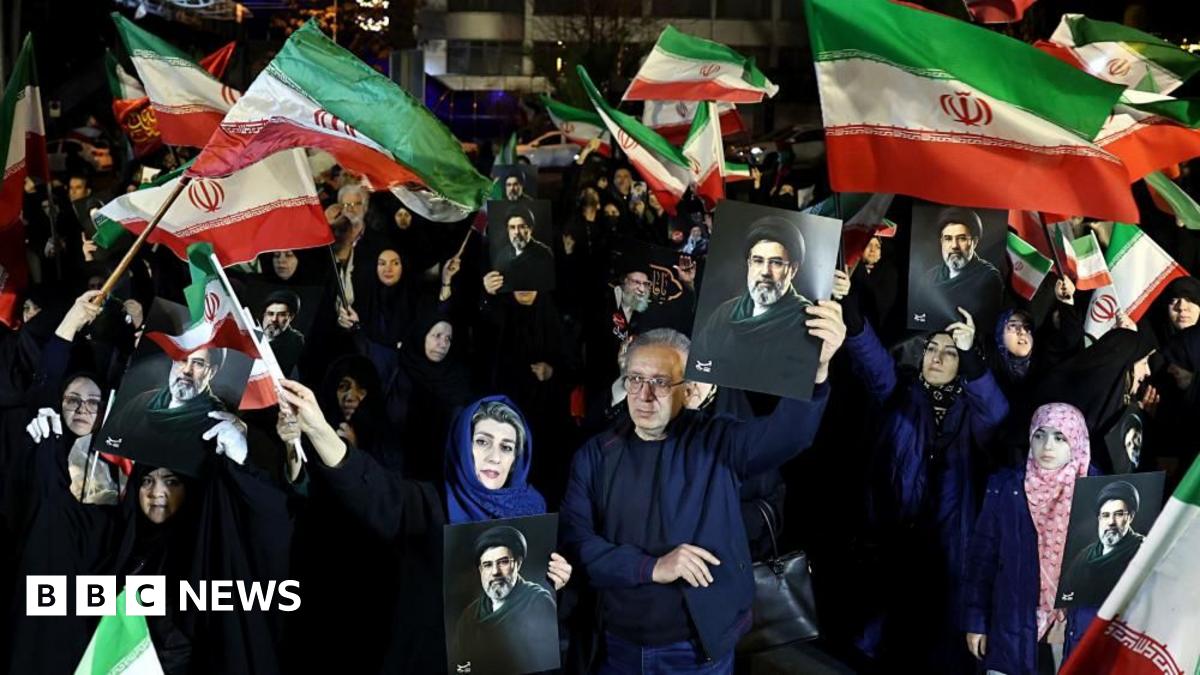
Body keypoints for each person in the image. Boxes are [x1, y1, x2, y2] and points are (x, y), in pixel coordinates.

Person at [561, 304, 845, 673]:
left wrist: (817, 369)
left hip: (696, 648)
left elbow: (789, 433)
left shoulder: (717, 439)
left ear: (689, 389)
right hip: (616, 643)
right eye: (635, 379)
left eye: (661, 382)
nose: (644, 395)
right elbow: (577, 542)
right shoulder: (594, 456)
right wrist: (652, 567)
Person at [842, 284, 1008, 673]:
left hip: (950, 547)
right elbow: (871, 359)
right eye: (932, 349)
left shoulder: (972, 409)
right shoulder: (899, 392)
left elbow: (998, 414)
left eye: (949, 353)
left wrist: (970, 355)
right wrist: (851, 305)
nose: (937, 357)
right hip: (896, 540)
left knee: (939, 652)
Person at [963, 403, 1095, 675]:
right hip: (1012, 624)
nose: (1048, 445)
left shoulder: (1101, 494)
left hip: (1076, 628)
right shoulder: (1007, 487)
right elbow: (982, 559)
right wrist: (976, 621)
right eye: (1040, 435)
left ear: (1077, 441)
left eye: (1060, 437)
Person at [690, 216, 814, 389]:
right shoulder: (725, 313)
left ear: (792, 270)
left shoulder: (808, 321)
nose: (765, 272)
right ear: (749, 264)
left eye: (776, 263)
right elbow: (700, 361)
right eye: (758, 261)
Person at [100, 346, 239, 476]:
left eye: (198, 363)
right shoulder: (143, 402)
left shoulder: (217, 423)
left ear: (212, 372)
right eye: (182, 359)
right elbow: (110, 443)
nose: (186, 370)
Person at [452, 526, 561, 675]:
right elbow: (462, 667)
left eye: (503, 562)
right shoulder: (469, 617)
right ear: (480, 570)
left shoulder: (538, 603)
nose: (495, 572)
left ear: (518, 563)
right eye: (487, 565)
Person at [1058, 480, 1146, 608]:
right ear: (1099, 519)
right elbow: (1066, 593)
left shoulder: (1143, 550)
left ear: (1130, 517)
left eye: (1119, 514)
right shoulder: (1085, 556)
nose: (1111, 522)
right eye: (1105, 515)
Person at [915, 207, 1003, 329]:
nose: (954, 246)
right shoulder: (928, 279)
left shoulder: (988, 278)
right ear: (941, 242)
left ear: (974, 242)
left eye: (961, 238)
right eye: (948, 239)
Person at [491, 205, 555, 292]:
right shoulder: (502, 255)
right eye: (512, 227)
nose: (516, 232)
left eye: (521, 227)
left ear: (530, 229)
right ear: (508, 230)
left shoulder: (544, 254)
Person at [261, 289, 304, 376]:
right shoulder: (253, 332)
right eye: (270, 313)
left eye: (281, 314)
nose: (274, 319)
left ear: (290, 317)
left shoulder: (295, 341)